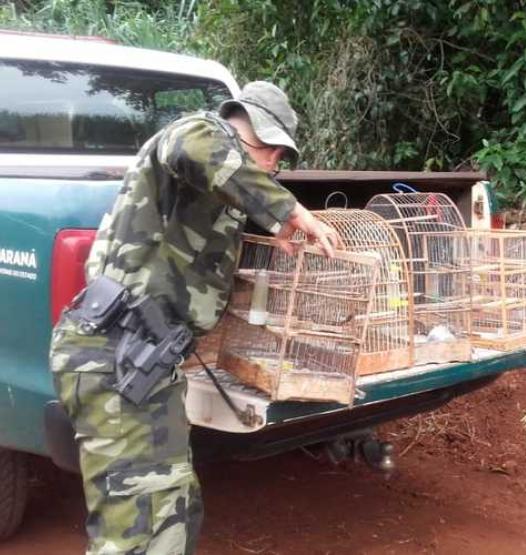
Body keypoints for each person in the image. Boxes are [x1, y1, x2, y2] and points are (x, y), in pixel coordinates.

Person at [48, 81, 339, 554]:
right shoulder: (199, 133)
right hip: (114, 354)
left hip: (148, 364)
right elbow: (193, 147)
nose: (274, 167)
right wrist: (287, 209)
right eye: (274, 155)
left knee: (174, 513)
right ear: (256, 139)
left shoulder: (219, 192)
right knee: (137, 531)